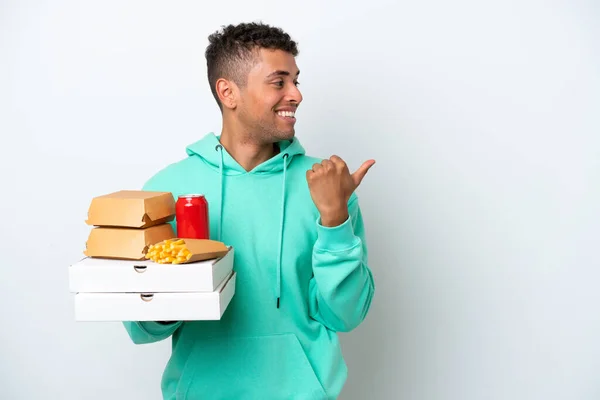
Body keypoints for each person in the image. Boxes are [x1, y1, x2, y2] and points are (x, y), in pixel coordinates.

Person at [123, 21, 376, 400]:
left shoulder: (326, 185)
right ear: (228, 92)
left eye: (296, 81)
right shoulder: (168, 190)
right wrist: (171, 289)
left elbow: (346, 314)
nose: (296, 95)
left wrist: (335, 219)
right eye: (279, 82)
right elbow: (140, 327)